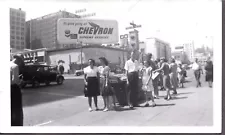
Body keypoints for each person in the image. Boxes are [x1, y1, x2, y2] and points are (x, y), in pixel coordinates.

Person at [11, 54, 24, 126]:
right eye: (20, 63)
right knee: (16, 112)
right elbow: (15, 81)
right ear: (18, 60)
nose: (20, 64)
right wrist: (20, 81)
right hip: (13, 91)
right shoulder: (15, 66)